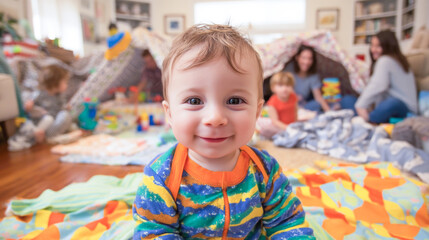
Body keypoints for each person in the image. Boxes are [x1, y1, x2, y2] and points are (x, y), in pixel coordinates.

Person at [132, 24, 314, 239]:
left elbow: (288, 223)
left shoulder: (265, 171)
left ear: (257, 112)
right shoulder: (161, 177)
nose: (215, 118)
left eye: (234, 100)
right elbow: (155, 232)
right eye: (194, 101)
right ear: (170, 114)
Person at [355, 30, 418, 123]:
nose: (373, 50)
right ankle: (368, 118)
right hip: (393, 108)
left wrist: (360, 105)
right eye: (372, 45)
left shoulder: (385, 60)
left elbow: (378, 85)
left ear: (388, 47)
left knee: (390, 104)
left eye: (378, 46)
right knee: (348, 100)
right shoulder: (398, 60)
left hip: (404, 109)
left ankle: (369, 120)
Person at [285, 44, 357, 113]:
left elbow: (318, 96)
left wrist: (329, 112)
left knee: (317, 104)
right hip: (290, 101)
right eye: (303, 58)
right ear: (297, 57)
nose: (306, 62)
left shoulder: (313, 75)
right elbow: (286, 90)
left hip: (305, 103)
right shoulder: (289, 70)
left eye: (310, 58)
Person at [24, 65, 73, 142]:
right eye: (65, 82)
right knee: (48, 119)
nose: (67, 85)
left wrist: (66, 108)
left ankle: (53, 135)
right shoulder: (39, 94)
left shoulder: (59, 96)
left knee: (66, 115)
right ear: (55, 83)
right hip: (42, 125)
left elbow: (62, 109)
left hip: (53, 124)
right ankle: (48, 137)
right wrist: (28, 106)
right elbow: (28, 107)